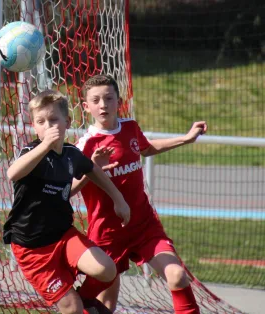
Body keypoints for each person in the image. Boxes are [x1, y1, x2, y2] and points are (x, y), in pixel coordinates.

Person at [72, 74, 207, 314]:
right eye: (96, 100)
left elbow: (146, 148)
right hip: (108, 234)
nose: (103, 104)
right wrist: (92, 168)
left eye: (108, 98)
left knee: (176, 275)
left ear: (118, 101)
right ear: (86, 106)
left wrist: (186, 139)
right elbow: (69, 189)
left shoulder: (130, 127)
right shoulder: (85, 146)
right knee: (103, 306)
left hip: (144, 226)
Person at [3, 90, 131, 314]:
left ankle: (87, 305)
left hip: (63, 235)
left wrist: (118, 199)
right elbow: (12, 173)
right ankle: (81, 307)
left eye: (53, 120)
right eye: (41, 122)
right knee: (71, 308)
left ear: (67, 122)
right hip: (33, 248)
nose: (48, 126)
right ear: (34, 126)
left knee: (108, 270)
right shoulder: (32, 152)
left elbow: (91, 171)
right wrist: (44, 147)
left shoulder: (71, 154)